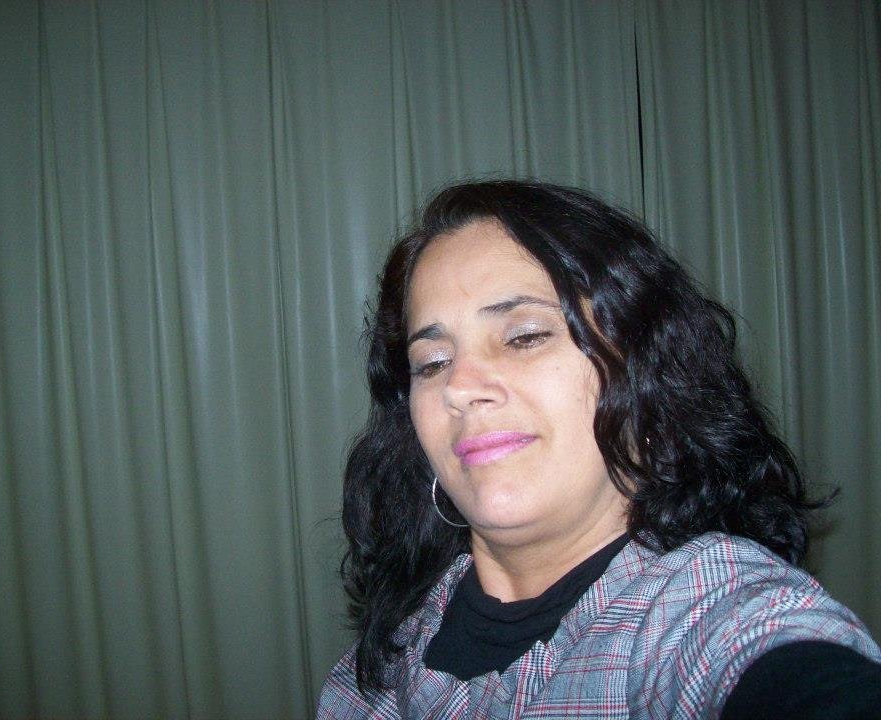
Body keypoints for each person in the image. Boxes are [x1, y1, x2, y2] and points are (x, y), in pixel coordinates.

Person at [317, 180, 881, 719]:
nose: (459, 387)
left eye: (524, 336)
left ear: (645, 372)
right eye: (433, 362)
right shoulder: (388, 656)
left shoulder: (704, 606)